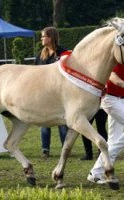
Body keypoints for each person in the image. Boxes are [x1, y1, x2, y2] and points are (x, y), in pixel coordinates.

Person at [87, 63, 124, 184]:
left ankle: (96, 173)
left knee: (113, 140)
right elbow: (111, 75)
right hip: (111, 99)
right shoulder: (117, 58)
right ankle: (100, 168)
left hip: (122, 99)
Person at [35, 26, 68, 158]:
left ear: (51, 37)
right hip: (44, 94)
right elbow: (35, 73)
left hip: (60, 94)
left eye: (44, 36)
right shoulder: (40, 55)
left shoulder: (63, 53)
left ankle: (65, 148)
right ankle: (45, 149)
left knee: (63, 122)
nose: (41, 39)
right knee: (44, 122)